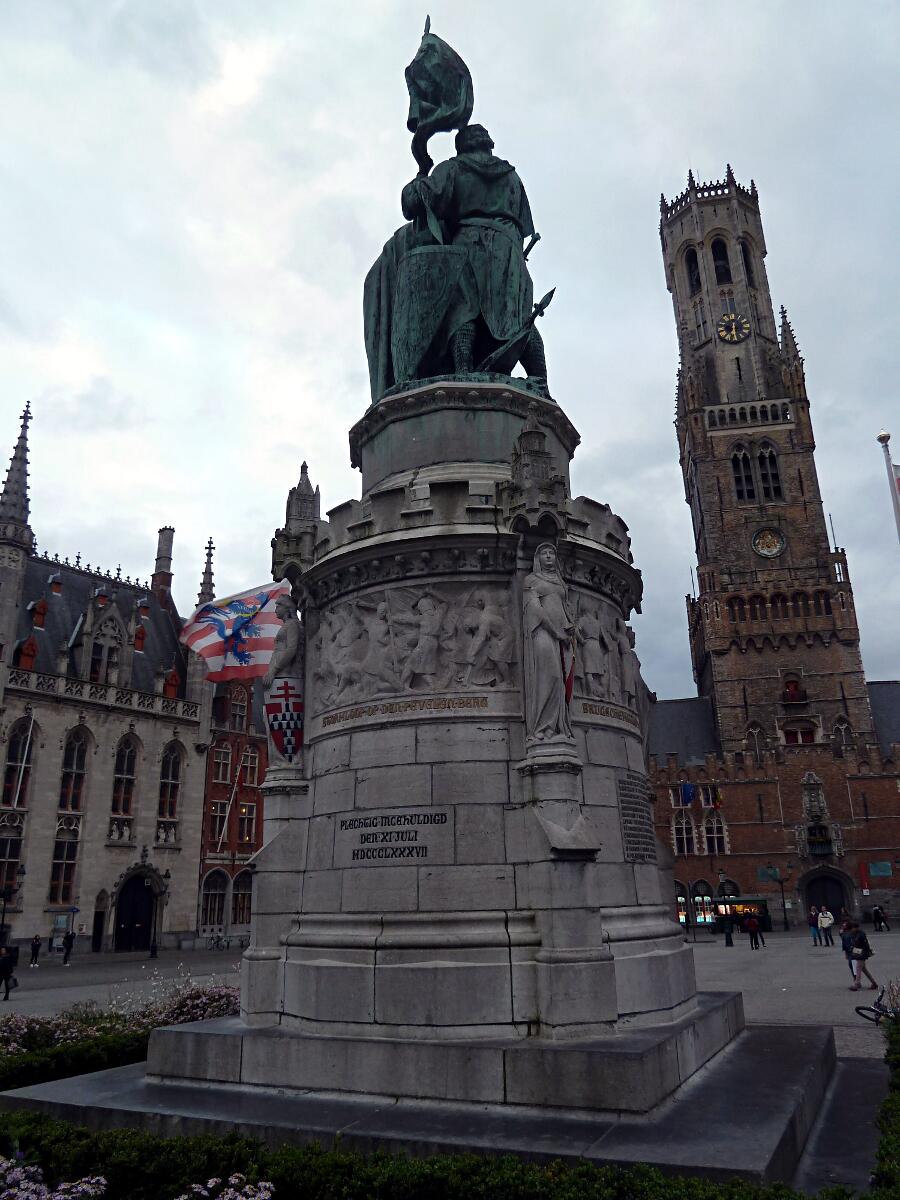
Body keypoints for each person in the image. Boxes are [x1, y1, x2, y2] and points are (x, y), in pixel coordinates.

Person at [848, 922, 877, 991]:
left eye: (852, 928)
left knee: (858, 968)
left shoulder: (861, 935)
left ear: (855, 928)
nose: (851, 930)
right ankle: (874, 983)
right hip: (860, 952)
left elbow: (864, 946)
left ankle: (856, 984)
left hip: (862, 953)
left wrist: (857, 952)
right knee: (864, 969)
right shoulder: (857, 934)